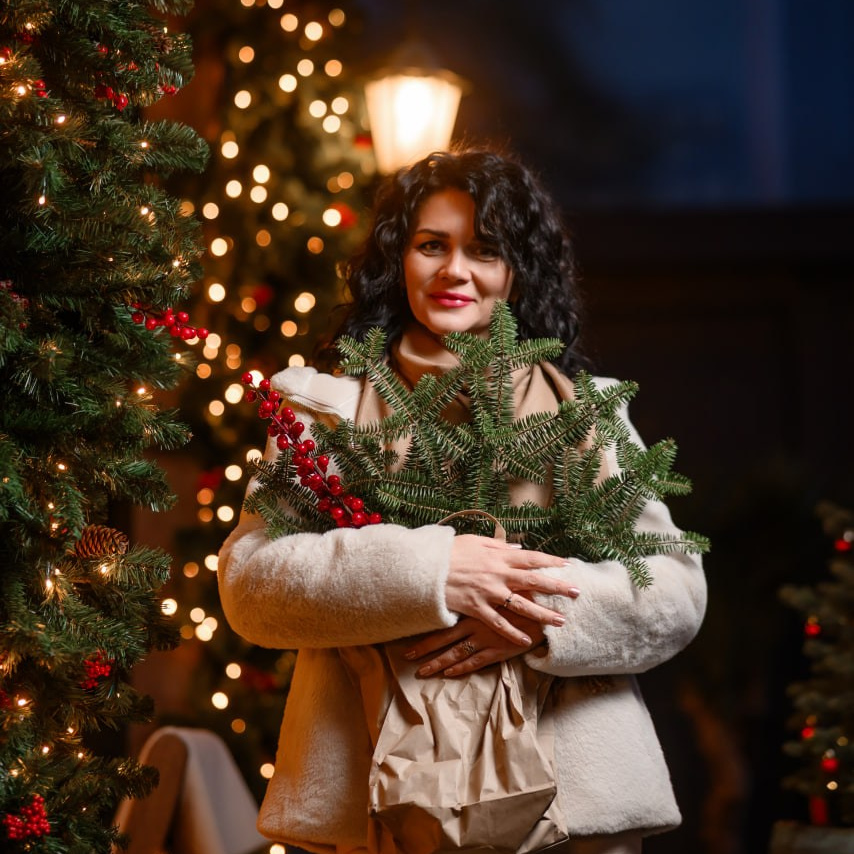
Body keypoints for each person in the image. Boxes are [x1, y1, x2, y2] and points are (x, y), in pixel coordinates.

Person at [217, 149, 707, 854]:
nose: (455, 270)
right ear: (398, 261)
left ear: (517, 270)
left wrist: (530, 614)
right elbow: (250, 584)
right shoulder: (321, 414)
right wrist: (433, 572)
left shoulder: (585, 417)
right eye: (431, 245)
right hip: (368, 805)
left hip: (574, 812)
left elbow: (676, 587)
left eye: (484, 250)